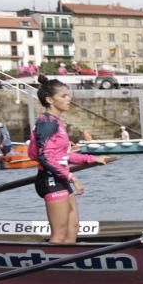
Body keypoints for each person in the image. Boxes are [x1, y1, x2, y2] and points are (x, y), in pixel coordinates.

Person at [30, 78, 108, 244]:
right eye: (63, 96)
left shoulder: (57, 122)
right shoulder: (47, 123)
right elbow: (44, 157)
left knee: (72, 230)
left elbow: (63, 156)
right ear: (50, 100)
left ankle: (66, 265)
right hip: (51, 179)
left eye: (68, 95)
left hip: (61, 178)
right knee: (59, 235)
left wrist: (92, 158)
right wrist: (72, 177)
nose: (68, 99)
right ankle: (48, 266)